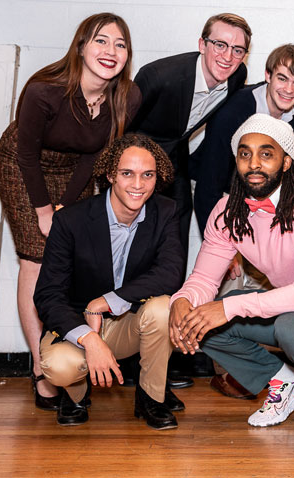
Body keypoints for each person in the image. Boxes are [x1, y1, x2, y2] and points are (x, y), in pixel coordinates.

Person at [168, 115, 294, 449]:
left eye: (266, 153)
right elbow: (203, 277)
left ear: (286, 161)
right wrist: (182, 302)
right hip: (290, 301)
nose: (254, 163)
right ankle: (285, 382)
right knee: (196, 321)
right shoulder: (227, 210)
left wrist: (228, 306)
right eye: (245, 154)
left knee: (293, 327)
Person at [0, 12, 141, 411]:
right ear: (81, 46)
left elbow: (96, 151)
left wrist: (69, 204)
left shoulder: (127, 95)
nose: (110, 51)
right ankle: (42, 371)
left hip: (76, 168)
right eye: (100, 41)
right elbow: (26, 154)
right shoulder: (45, 89)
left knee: (73, 259)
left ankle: (67, 351)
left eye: (120, 44)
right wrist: (46, 211)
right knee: (35, 260)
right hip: (25, 166)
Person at [128, 13, 251, 384]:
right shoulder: (159, 76)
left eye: (238, 49)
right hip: (136, 164)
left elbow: (262, 91)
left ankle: (162, 354)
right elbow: (120, 128)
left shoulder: (237, 77)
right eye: (219, 44)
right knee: (134, 258)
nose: (228, 56)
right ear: (202, 44)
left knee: (173, 258)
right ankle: (131, 360)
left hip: (175, 166)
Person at [34, 134, 186, 429]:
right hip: (78, 325)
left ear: (158, 177)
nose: (138, 184)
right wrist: (89, 339)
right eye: (127, 173)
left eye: (148, 175)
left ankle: (150, 398)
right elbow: (48, 294)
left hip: (127, 322)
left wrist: (107, 300)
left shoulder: (165, 212)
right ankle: (76, 396)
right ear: (110, 175)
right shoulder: (71, 221)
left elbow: (170, 273)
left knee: (164, 307)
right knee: (58, 367)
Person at [191, 44, 294, 232]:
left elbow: (290, 164)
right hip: (217, 185)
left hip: (255, 187)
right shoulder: (233, 112)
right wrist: (217, 243)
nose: (288, 90)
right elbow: (209, 184)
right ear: (268, 75)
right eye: (282, 79)